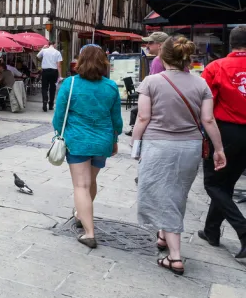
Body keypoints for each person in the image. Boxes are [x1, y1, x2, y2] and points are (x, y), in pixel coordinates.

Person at [133, 36, 226, 275]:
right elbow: (208, 119)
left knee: (162, 193)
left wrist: (135, 143)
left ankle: (175, 257)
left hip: (158, 145)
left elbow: (143, 117)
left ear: (162, 56)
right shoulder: (200, 84)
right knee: (177, 192)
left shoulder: (151, 82)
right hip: (190, 147)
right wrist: (218, 149)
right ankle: (163, 236)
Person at [52, 46, 123, 248]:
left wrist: (59, 134)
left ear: (80, 62)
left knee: (80, 185)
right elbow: (116, 119)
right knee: (91, 182)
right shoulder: (110, 87)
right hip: (102, 141)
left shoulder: (70, 84)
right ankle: (80, 214)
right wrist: (115, 138)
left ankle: (89, 232)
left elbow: (59, 117)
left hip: (77, 140)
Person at [199, 26, 246, 259]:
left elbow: (204, 103)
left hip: (225, 130)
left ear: (230, 43)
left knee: (213, 183)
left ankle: (243, 230)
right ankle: (211, 230)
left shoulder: (216, 67)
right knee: (226, 183)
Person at [37, 42, 63, 112]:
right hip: (54, 72)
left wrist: (43, 48)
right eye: (56, 44)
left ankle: (44, 102)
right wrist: (60, 76)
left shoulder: (44, 50)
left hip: (45, 71)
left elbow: (38, 56)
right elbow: (59, 65)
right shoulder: (57, 52)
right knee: (52, 88)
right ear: (54, 44)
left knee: (44, 88)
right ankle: (51, 105)